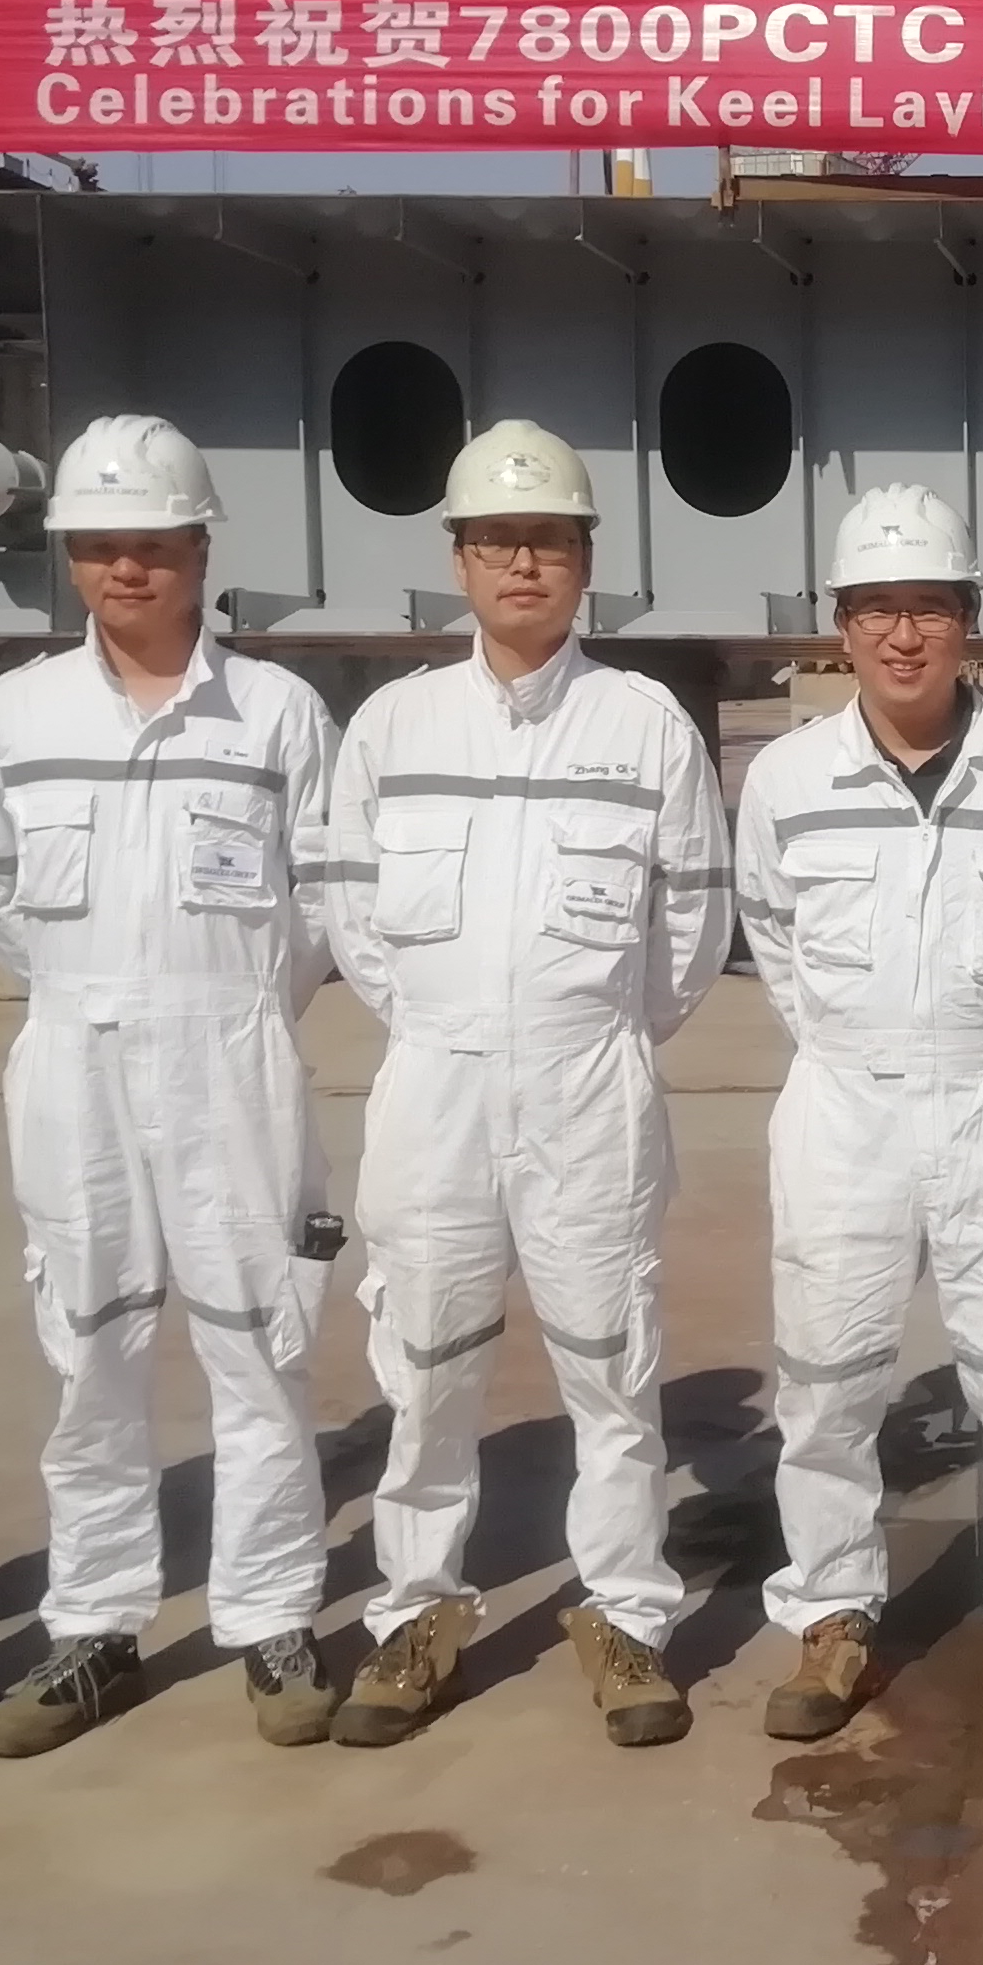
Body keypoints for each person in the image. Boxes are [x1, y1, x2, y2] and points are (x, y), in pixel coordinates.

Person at [320, 420, 731, 1749]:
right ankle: (415, 1612)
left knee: (612, 1368)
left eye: (547, 539)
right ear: (458, 558)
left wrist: (585, 1029)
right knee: (426, 1364)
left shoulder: (644, 726)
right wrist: (449, 1027)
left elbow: (691, 930)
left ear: (584, 559)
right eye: (497, 539)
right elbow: (353, 917)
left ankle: (626, 1614)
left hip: (588, 1087)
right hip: (433, 1088)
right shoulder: (393, 726)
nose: (522, 562)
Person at [0, 416, 345, 1759]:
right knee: (89, 1352)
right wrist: (98, 1000)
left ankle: (273, 1616)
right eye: (99, 546)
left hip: (233, 1057)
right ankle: (96, 1626)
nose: (126, 569)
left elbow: (319, 909)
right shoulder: (16, 714)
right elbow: (3, 898)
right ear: (71, 557)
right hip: (72, 1063)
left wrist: (226, 1009)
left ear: (199, 552)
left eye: (153, 545)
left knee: (261, 1347)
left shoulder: (278, 714)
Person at [736, 484, 983, 1744]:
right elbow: (774, 940)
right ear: (840, 625)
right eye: (878, 608)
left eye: (930, 607)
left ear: (967, 620)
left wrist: (977, 1052)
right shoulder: (787, 778)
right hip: (843, 1102)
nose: (904, 635)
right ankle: (832, 1614)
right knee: (828, 1376)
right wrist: (872, 1050)